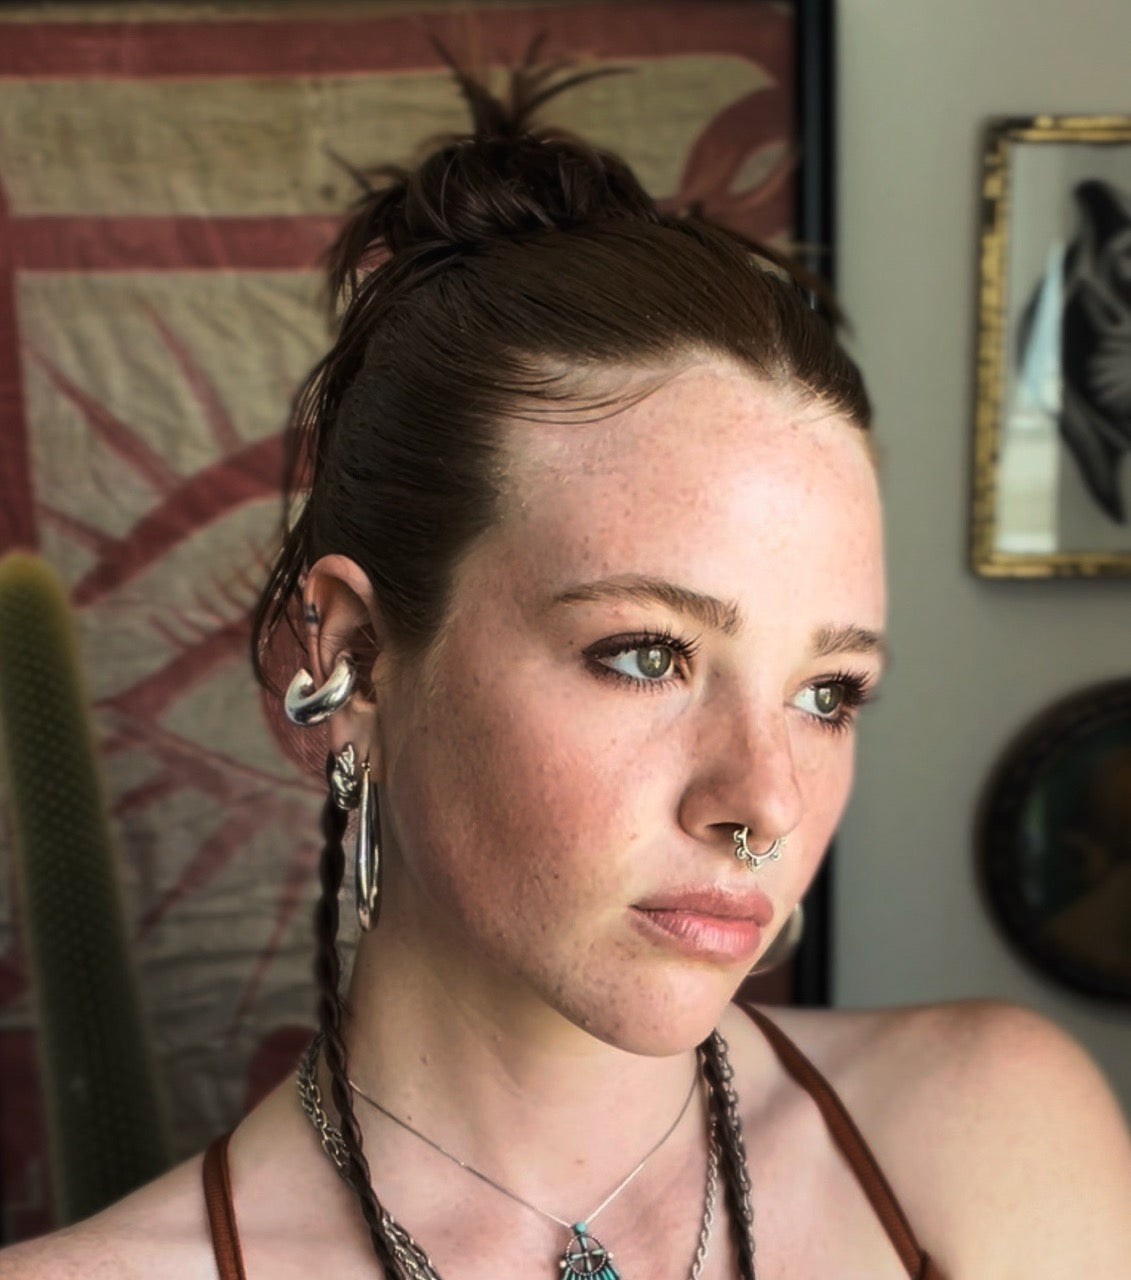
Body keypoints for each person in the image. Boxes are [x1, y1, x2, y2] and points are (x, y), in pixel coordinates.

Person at [4, 57, 1130, 1280]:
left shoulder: (995, 1139)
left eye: (827, 692)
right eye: (648, 655)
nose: (765, 801)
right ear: (354, 658)